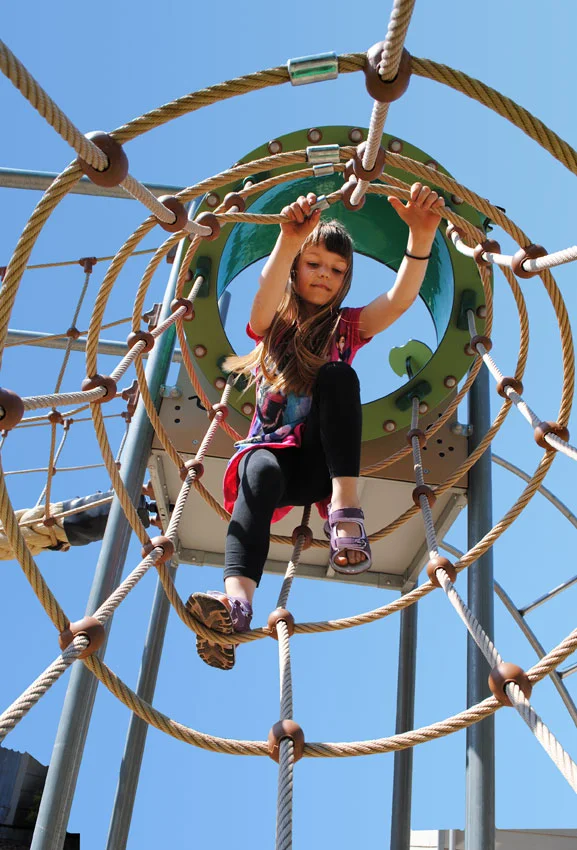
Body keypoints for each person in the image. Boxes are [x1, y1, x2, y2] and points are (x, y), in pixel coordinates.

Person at [187, 183, 445, 669]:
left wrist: (421, 238)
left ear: (347, 280)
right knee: (256, 468)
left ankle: (346, 513)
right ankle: (235, 606)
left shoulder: (348, 327)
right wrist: (288, 238)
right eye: (314, 264)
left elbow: (400, 299)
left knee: (338, 375)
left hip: (327, 464)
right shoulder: (272, 325)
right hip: (279, 462)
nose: (325, 275)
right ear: (296, 268)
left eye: (337, 270)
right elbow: (264, 293)